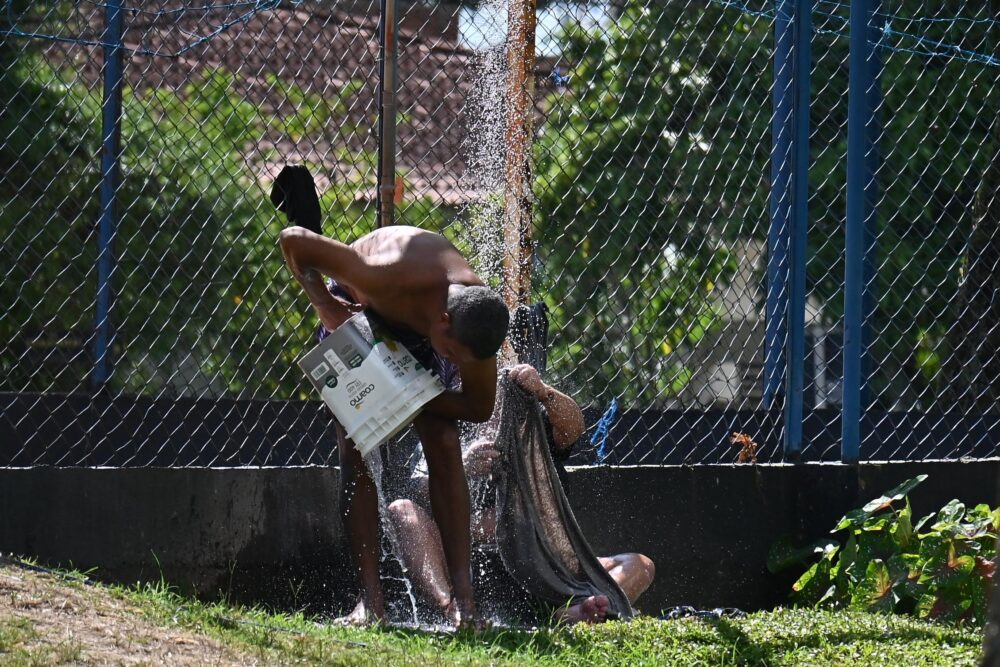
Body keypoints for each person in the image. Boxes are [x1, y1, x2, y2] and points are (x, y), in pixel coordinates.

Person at [279, 224, 510, 627]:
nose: (459, 364)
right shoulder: (381, 272)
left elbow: (477, 406)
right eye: (453, 354)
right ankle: (371, 605)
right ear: (442, 321)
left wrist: (412, 397)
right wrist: (322, 302)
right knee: (356, 442)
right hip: (355, 308)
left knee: (443, 437)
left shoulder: (476, 320)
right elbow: (293, 239)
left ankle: (465, 606)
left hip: (417, 332)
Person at [387, 364, 655, 625]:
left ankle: (576, 610)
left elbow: (573, 429)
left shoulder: (527, 418)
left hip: (542, 565)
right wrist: (462, 470)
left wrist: (544, 391)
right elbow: (416, 488)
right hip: (466, 565)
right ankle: (453, 610)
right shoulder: (446, 420)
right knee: (401, 509)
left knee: (638, 565)